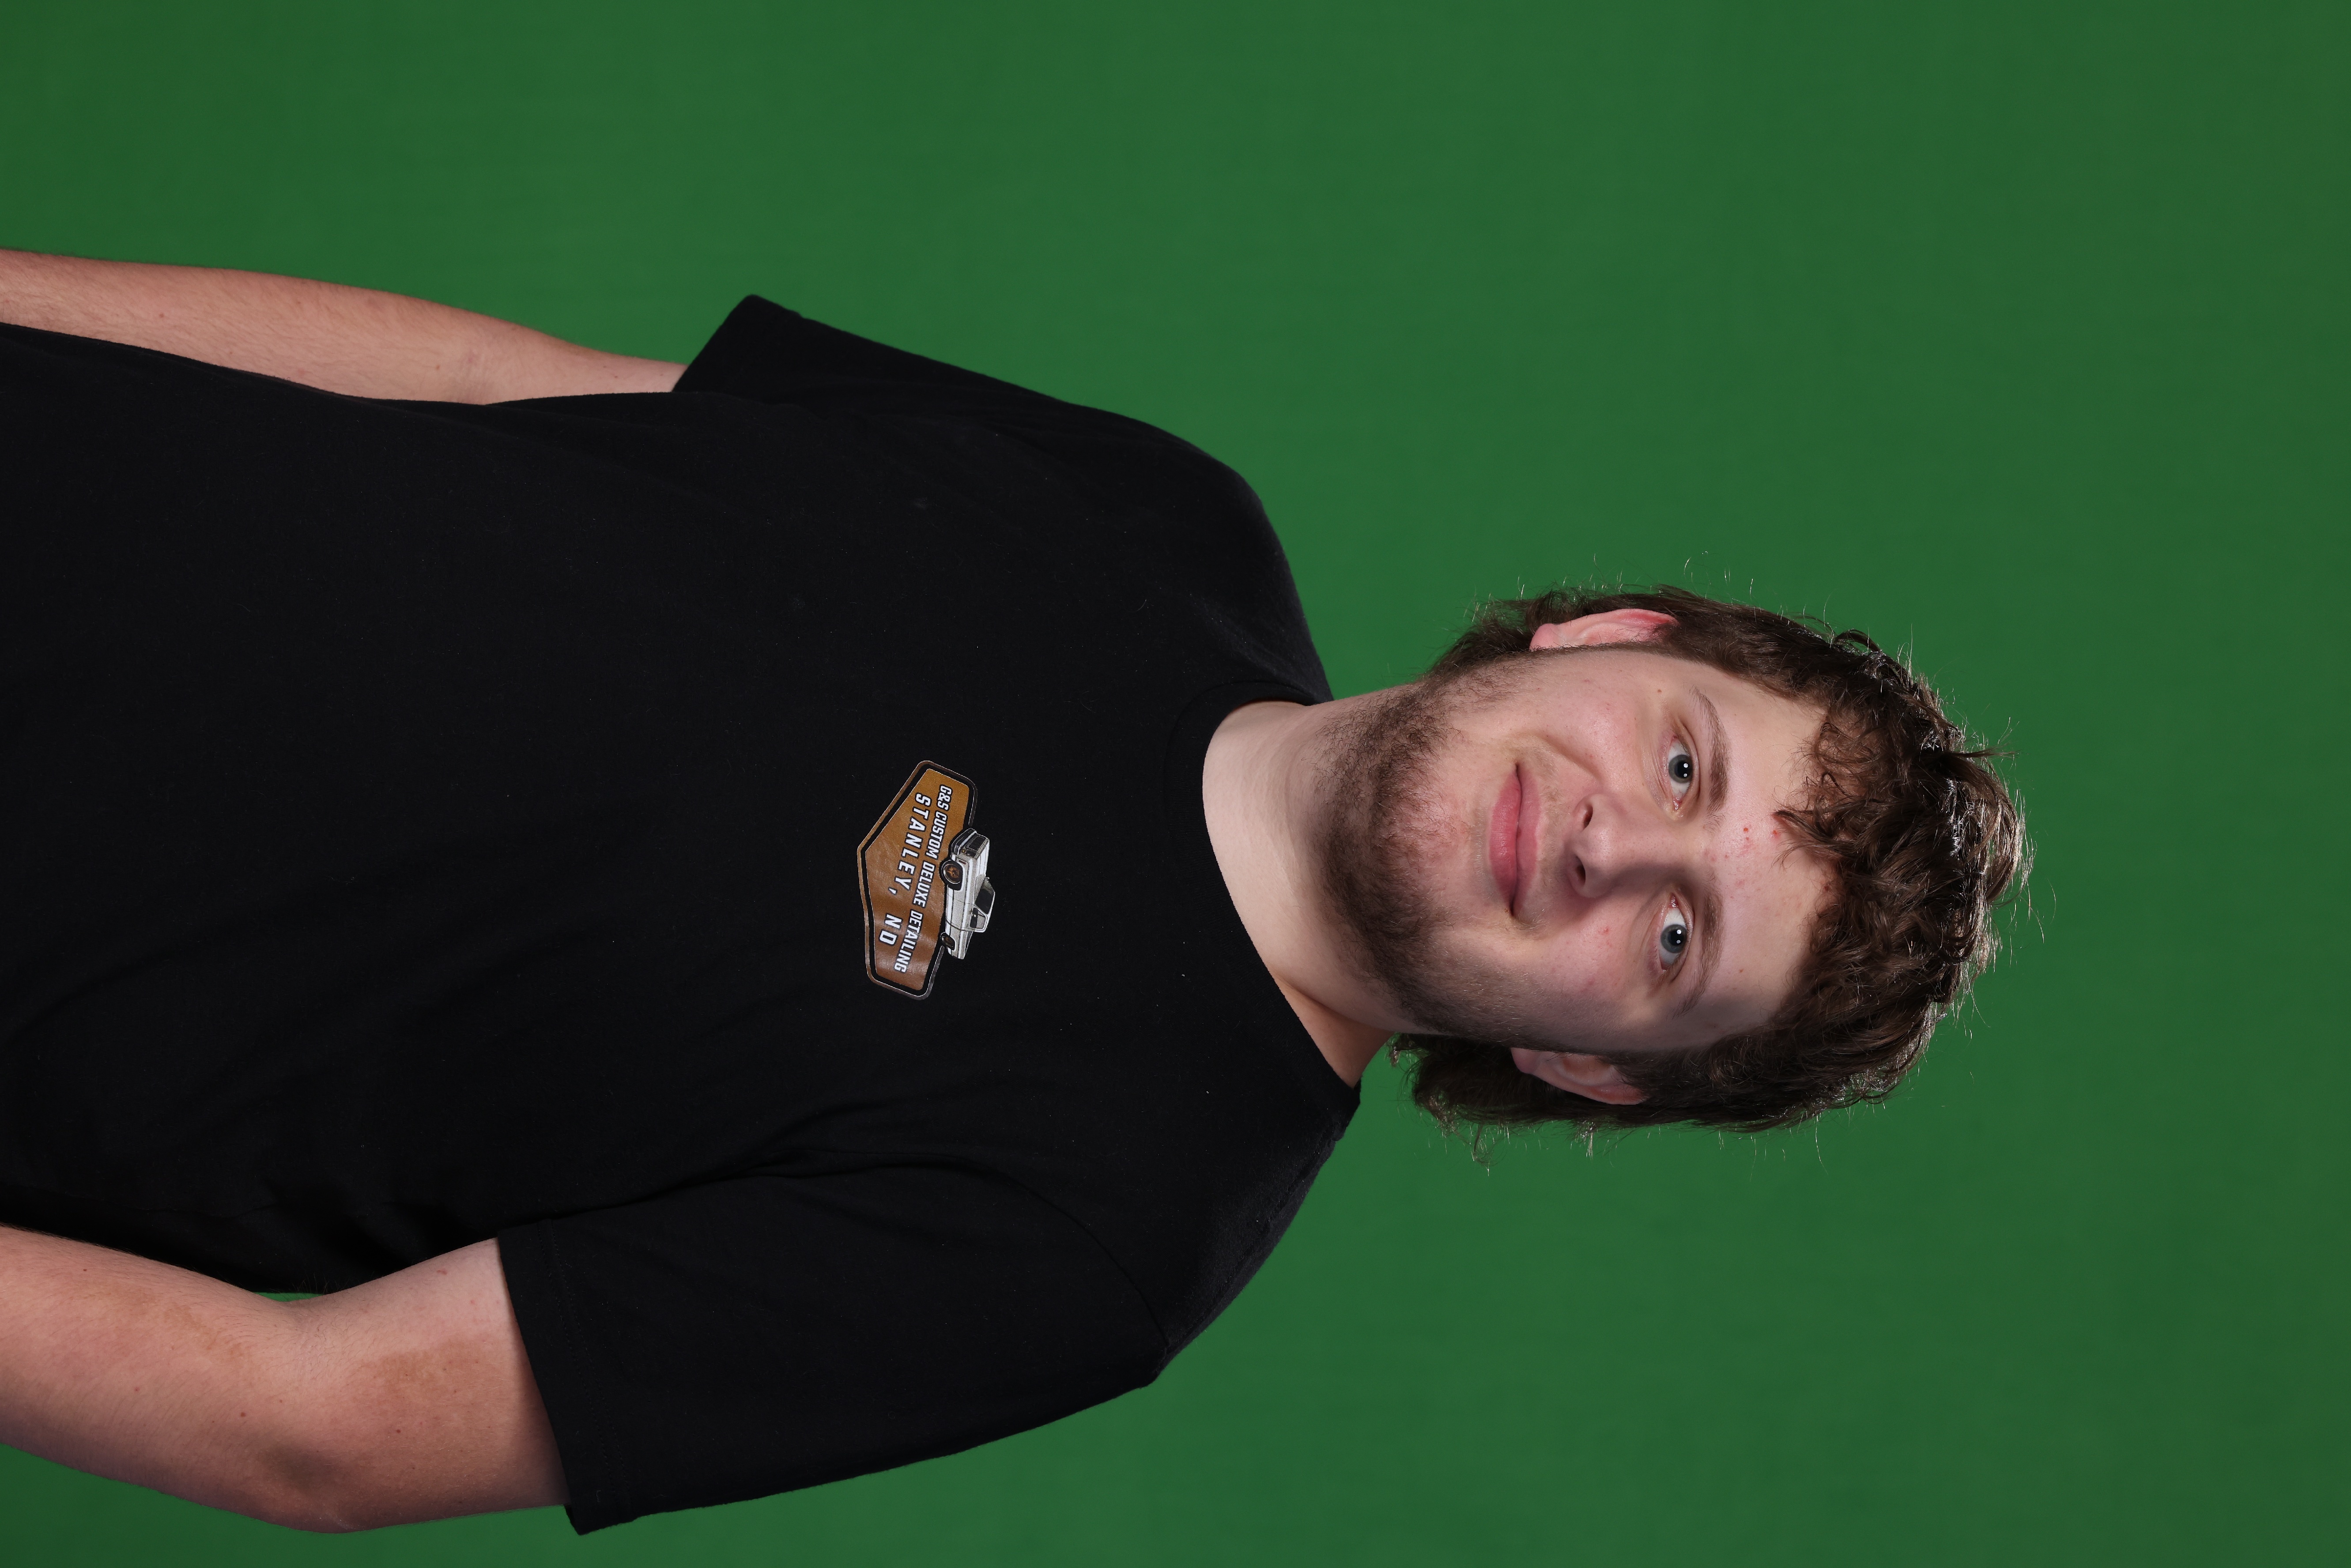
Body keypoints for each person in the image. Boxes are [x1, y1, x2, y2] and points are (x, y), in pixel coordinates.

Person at [0, 252, 2025, 1534]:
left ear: (1597, 1074)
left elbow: (314, 1425)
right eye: (1683, 764)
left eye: (1673, 941)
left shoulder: (1103, 1244)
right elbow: (481, 377)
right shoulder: (1162, 510)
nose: (1611, 843)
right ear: (1613, 635)